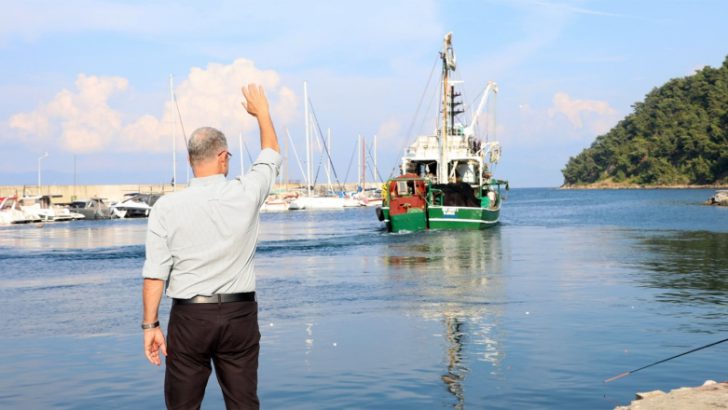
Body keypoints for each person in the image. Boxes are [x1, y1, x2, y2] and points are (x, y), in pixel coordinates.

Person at [141, 84, 281, 409]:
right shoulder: (246, 193)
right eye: (228, 156)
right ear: (222, 157)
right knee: (244, 404)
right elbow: (270, 154)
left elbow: (154, 276)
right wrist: (262, 113)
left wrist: (151, 326)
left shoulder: (166, 207)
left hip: (190, 317)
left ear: (191, 160)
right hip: (239, 314)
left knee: (182, 406)